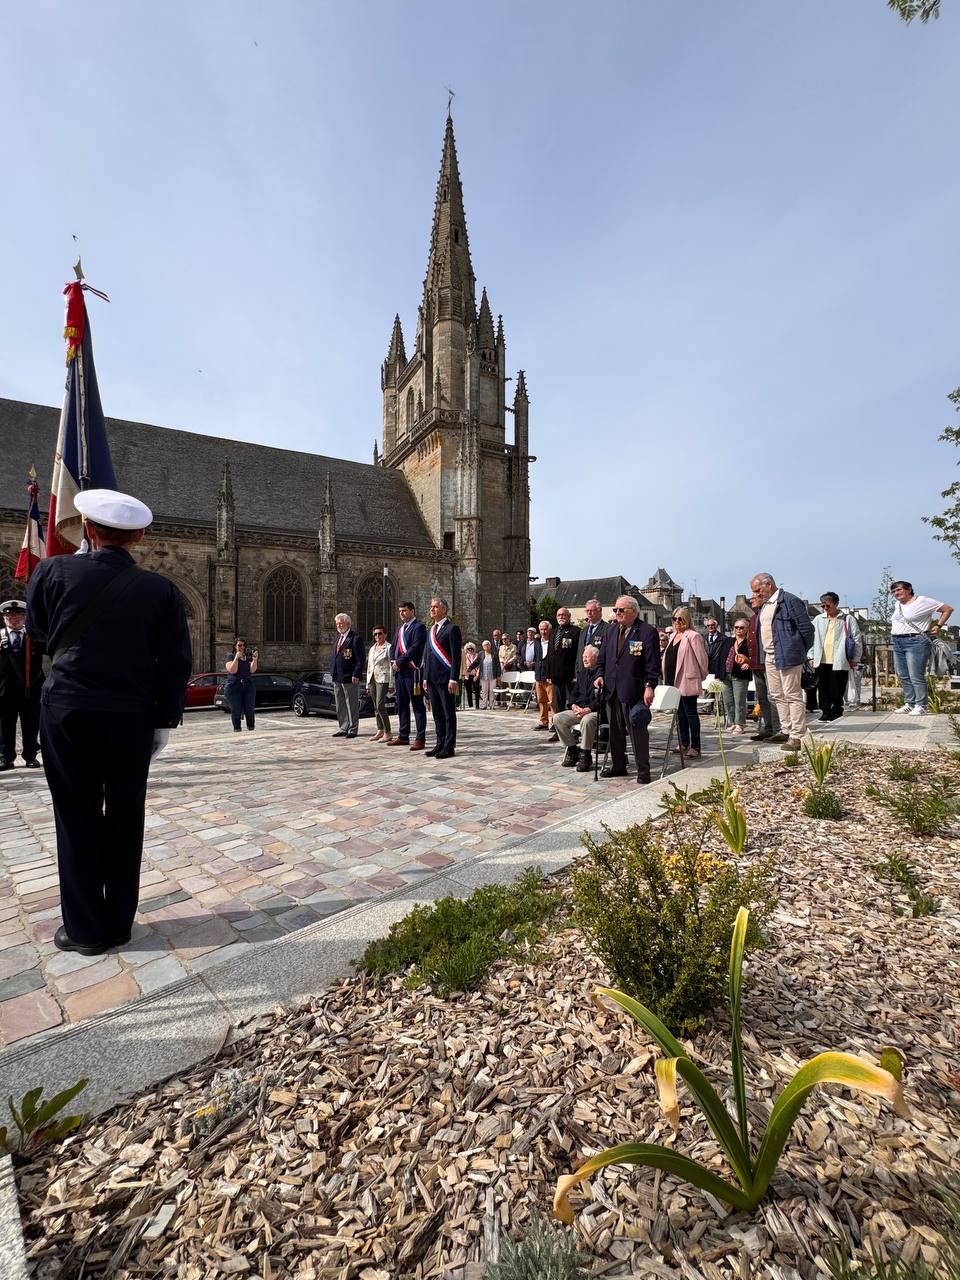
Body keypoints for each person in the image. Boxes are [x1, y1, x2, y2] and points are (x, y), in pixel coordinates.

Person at [25, 488, 191, 956]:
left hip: (67, 709)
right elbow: (175, 663)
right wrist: (164, 721)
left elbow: (38, 633)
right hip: (130, 716)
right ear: (139, 536)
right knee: (125, 814)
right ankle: (119, 924)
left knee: (74, 815)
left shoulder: (52, 571)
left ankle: (83, 930)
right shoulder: (161, 590)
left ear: (88, 529)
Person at [595, 595, 660, 784]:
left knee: (637, 731)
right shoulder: (610, 630)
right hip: (612, 689)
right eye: (615, 610)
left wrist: (650, 686)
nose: (617, 613)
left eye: (621, 610)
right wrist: (599, 675)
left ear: (633, 611)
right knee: (615, 732)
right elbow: (602, 659)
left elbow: (653, 664)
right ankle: (619, 766)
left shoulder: (646, 632)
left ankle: (643, 770)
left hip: (634, 690)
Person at [751, 572, 814, 753]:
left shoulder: (789, 601)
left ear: (768, 585)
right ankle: (786, 729)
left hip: (787, 654)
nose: (756, 594)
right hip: (770, 656)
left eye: (758, 590)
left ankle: (797, 735)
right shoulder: (765, 605)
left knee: (792, 694)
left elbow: (807, 629)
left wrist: (798, 650)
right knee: (776, 694)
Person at [890, 580, 953, 715]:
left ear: (909, 589)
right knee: (903, 675)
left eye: (899, 590)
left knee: (916, 675)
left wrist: (938, 626)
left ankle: (921, 705)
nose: (896, 593)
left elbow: (947, 609)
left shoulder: (922, 601)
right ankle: (909, 703)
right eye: (893, 591)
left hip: (915, 641)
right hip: (897, 641)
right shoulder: (897, 605)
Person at [0, 599, 44, 769]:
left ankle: (30, 756)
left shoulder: (35, 636)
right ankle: (6, 757)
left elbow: (50, 647)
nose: (14, 618)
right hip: (5, 691)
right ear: (4, 618)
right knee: (5, 725)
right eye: (10, 615)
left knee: (31, 723)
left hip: (31, 688)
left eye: (19, 615)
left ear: (25, 617)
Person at [663, 606, 708, 759]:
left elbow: (702, 659)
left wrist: (700, 676)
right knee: (679, 714)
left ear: (686, 620)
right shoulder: (672, 636)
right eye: (674, 619)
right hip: (673, 680)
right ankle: (683, 742)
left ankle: (695, 746)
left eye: (680, 619)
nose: (677, 621)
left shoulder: (693, 636)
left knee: (690, 713)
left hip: (687, 679)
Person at [811, 593, 862, 722]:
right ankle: (825, 711)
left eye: (828, 605)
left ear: (836, 604)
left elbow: (856, 639)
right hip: (821, 659)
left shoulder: (847, 619)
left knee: (837, 687)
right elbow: (812, 639)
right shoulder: (818, 619)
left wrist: (855, 658)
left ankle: (837, 710)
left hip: (840, 658)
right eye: (822, 605)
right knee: (823, 688)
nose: (825, 608)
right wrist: (810, 656)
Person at [422, 597, 461, 758]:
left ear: (444, 609)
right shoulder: (430, 630)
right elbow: (427, 655)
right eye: (431, 607)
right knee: (437, 714)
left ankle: (449, 746)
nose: (432, 609)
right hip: (432, 679)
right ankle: (440, 743)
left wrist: (453, 679)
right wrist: (425, 677)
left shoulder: (452, 629)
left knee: (448, 714)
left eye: (435, 607)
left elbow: (456, 656)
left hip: (446, 679)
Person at [554, 644, 602, 772]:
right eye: (583, 657)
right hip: (579, 710)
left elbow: (603, 699)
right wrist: (573, 705)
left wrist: (588, 709)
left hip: (595, 711)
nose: (584, 659)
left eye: (587, 657)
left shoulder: (601, 675)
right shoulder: (581, 674)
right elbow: (574, 694)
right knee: (558, 718)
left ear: (595, 658)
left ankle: (585, 755)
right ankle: (572, 749)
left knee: (587, 720)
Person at [743, 589, 781, 741]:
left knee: (773, 697)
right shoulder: (753, 618)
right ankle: (768, 728)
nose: (751, 601)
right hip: (756, 663)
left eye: (754, 598)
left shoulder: (770, 615)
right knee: (762, 698)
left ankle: (778, 729)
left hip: (768, 662)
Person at [389, 601, 427, 750]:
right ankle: (403, 735)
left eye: (404, 610)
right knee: (402, 705)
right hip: (399, 673)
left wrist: (399, 662)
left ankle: (420, 738)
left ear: (412, 611)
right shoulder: (400, 628)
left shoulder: (419, 627)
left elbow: (415, 648)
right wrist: (393, 661)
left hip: (412, 672)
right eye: (400, 611)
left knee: (417, 706)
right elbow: (393, 647)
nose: (401, 613)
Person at [330, 612, 365, 738]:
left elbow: (360, 659)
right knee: (340, 704)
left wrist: (356, 673)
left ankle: (353, 729)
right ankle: (343, 727)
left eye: (341, 623)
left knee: (351, 704)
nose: (339, 626)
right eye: (337, 624)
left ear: (348, 624)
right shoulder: (337, 638)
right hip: (337, 676)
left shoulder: (355, 638)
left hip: (350, 677)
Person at [704, 617, 734, 726]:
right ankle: (707, 707)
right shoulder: (703, 638)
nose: (710, 627)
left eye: (712, 625)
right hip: (707, 665)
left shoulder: (723, 638)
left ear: (716, 626)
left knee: (718, 688)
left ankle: (719, 708)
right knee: (707, 687)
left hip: (718, 665)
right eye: (708, 626)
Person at [223, 637, 258, 731]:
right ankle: (237, 729)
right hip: (234, 686)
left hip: (248, 685)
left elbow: (252, 670)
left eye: (243, 645)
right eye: (239, 645)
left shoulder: (247, 657)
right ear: (235, 646)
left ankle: (251, 727)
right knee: (236, 710)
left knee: (249, 709)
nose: (242, 647)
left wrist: (254, 659)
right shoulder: (230, 656)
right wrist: (236, 658)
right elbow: (232, 670)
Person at [366, 625, 393, 740]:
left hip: (383, 679)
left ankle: (388, 731)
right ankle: (380, 729)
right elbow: (369, 666)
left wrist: (391, 684)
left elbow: (391, 666)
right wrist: (367, 684)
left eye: (380, 633)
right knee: (375, 706)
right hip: (372, 678)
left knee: (380, 705)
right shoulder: (372, 648)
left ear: (385, 634)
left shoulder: (389, 647)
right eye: (375, 634)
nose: (378, 636)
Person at [726, 618, 751, 734]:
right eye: (737, 627)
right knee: (728, 700)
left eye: (741, 627)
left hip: (740, 674)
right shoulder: (728, 641)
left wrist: (748, 664)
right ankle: (732, 722)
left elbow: (753, 657)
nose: (739, 629)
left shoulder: (749, 643)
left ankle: (739, 724)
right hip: (726, 674)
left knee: (739, 701)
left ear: (746, 629)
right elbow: (721, 656)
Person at [533, 620, 554, 733]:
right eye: (541, 629)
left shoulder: (553, 642)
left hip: (550, 676)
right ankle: (543, 722)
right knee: (541, 700)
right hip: (539, 675)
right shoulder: (537, 643)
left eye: (545, 629)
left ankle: (554, 722)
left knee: (552, 701)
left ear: (549, 630)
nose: (543, 632)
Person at [575, 599, 607, 672]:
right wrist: (577, 671)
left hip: (597, 672)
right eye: (587, 611)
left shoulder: (608, 629)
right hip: (581, 672)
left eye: (592, 610)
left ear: (600, 611)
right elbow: (579, 653)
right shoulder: (583, 631)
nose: (589, 613)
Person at [479, 639, 497, 709]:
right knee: (484, 691)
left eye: (487, 645)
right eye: (485, 645)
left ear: (490, 646)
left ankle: (491, 704)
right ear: (483, 646)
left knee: (492, 690)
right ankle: (484, 705)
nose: (486, 646)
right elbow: (476, 662)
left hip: (493, 675)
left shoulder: (494, 654)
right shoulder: (481, 654)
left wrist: (498, 676)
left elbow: (498, 665)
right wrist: (469, 669)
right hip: (484, 676)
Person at [462, 642, 480, 708]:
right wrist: (464, 674)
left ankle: (477, 705)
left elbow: (479, 666)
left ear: (474, 649)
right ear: (466, 649)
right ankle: (470, 705)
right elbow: (464, 666)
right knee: (468, 690)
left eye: (471, 648)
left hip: (475, 675)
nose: (470, 650)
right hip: (467, 675)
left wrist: (477, 675)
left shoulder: (477, 655)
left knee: (477, 689)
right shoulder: (465, 656)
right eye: (468, 649)